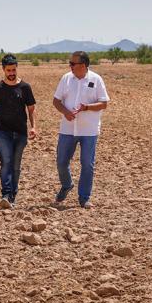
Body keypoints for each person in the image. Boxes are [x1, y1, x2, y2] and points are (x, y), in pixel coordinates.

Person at [52, 51, 110, 208]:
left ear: (83, 65)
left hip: (89, 130)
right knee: (61, 162)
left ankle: (84, 198)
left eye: (72, 64)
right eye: (70, 63)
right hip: (67, 128)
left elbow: (104, 103)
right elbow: (56, 101)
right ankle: (67, 184)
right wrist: (65, 112)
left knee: (87, 164)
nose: (69, 66)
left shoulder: (96, 79)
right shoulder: (66, 78)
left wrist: (87, 107)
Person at [0, 54, 37, 209]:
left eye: (14, 69)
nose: (11, 73)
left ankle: (12, 196)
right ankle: (6, 194)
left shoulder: (25, 87)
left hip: (20, 133)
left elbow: (31, 109)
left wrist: (34, 126)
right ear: (3, 70)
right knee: (6, 162)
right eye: (8, 70)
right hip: (2, 132)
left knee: (16, 165)